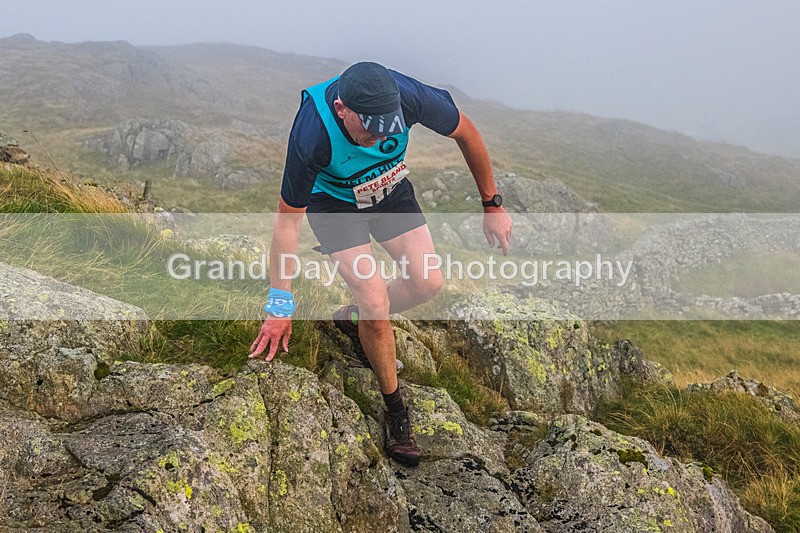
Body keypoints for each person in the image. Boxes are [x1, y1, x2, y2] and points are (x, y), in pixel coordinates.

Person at [249, 62, 512, 467]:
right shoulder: (312, 134)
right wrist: (279, 304)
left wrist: (491, 204)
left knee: (428, 283)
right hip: (334, 204)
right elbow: (287, 223)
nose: (376, 140)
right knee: (376, 305)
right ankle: (395, 411)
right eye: (368, 131)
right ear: (342, 109)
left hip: (389, 191)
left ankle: (352, 320)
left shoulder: (408, 97)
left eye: (386, 131)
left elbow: (467, 133)